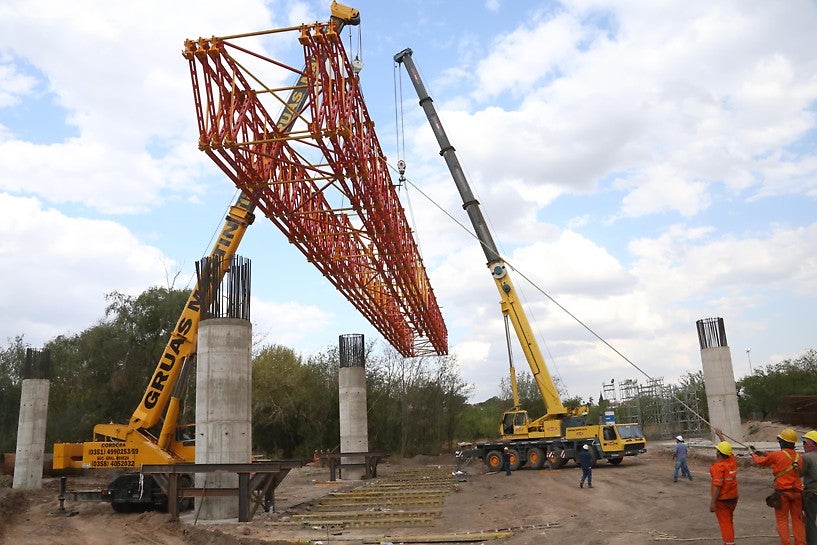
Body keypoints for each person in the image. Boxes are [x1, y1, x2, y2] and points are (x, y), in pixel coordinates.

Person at [751, 428, 805, 545]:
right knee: (798, 520)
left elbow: (761, 462)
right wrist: (763, 453)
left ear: (783, 442)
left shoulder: (777, 455)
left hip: (782, 494)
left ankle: (785, 543)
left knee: (782, 521)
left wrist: (753, 455)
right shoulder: (799, 457)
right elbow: (780, 457)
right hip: (797, 494)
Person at [710, 429, 738, 545]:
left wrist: (713, 502)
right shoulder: (732, 461)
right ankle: (729, 541)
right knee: (729, 521)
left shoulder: (718, 467)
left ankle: (729, 542)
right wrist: (720, 436)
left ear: (717, 453)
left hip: (722, 500)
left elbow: (717, 486)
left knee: (725, 523)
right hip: (733, 498)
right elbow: (727, 449)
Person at [803, 430, 817, 545]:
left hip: (811, 492)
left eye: (805, 443)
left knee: (810, 519)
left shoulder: (806, 457)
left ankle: (812, 542)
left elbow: (799, 473)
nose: (803, 445)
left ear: (813, 444)